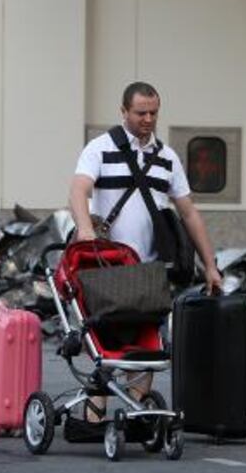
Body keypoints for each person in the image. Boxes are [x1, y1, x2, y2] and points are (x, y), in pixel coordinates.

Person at [69, 81, 222, 419]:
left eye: (154, 113)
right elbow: (79, 190)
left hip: (150, 269)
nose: (148, 119)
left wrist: (210, 265)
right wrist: (83, 229)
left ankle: (136, 414)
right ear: (123, 112)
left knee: (146, 342)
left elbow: (189, 212)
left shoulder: (166, 158)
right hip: (107, 266)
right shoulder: (99, 148)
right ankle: (95, 416)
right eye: (141, 113)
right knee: (104, 342)